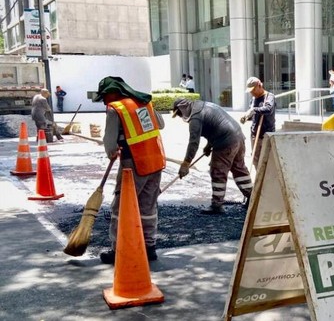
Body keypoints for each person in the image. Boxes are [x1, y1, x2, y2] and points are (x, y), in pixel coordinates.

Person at [93, 76, 166, 264]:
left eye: (104, 96)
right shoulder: (144, 102)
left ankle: (118, 249)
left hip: (133, 165)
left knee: (121, 207)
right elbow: (161, 124)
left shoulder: (115, 109)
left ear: (113, 93)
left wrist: (112, 151)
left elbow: (109, 142)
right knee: (148, 207)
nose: (103, 101)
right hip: (156, 161)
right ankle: (150, 248)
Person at [172, 98, 253, 215]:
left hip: (225, 142)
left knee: (218, 172)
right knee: (239, 169)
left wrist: (186, 163)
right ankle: (252, 197)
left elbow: (193, 142)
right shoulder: (202, 106)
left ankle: (217, 205)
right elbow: (215, 126)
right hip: (238, 137)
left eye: (179, 114)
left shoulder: (195, 117)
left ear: (182, 108)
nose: (180, 117)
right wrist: (209, 145)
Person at [240, 77, 276, 168]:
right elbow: (254, 115)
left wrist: (253, 110)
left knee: (267, 162)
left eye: (253, 90)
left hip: (267, 135)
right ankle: (258, 181)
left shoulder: (269, 96)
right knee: (256, 161)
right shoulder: (253, 100)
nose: (252, 93)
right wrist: (246, 117)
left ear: (259, 85)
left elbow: (268, 109)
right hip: (255, 135)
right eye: (250, 91)